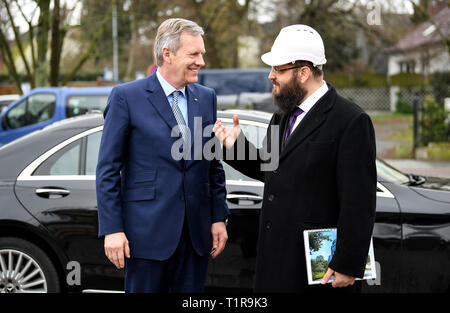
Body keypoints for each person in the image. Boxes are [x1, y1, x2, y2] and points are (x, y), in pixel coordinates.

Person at [214, 24, 376, 293]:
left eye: (278, 69)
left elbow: (359, 201)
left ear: (303, 72)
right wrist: (236, 146)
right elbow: (273, 167)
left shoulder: (350, 121)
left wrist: (348, 263)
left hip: (318, 270)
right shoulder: (283, 114)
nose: (270, 76)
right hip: (274, 259)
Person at [96, 18, 229, 293]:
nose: (201, 61)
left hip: (196, 238)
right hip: (145, 238)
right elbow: (108, 169)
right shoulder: (126, 97)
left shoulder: (206, 98)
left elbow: (212, 164)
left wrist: (218, 217)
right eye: (194, 54)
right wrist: (112, 229)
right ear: (167, 54)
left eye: (201, 53)